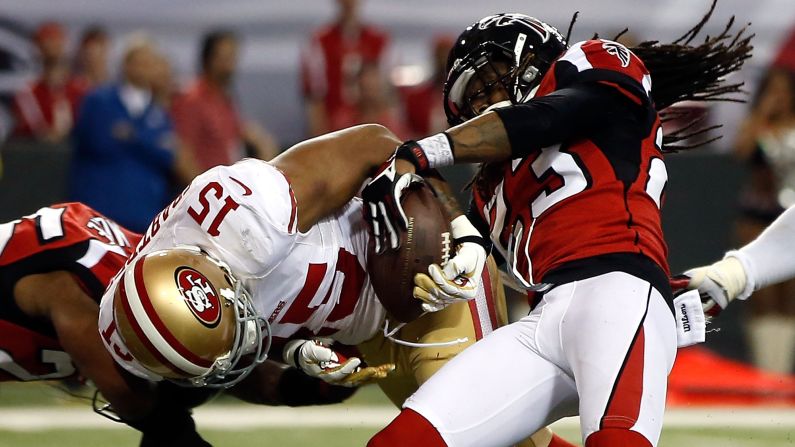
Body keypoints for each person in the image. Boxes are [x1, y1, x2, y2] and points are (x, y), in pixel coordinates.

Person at [365, 9, 752, 447]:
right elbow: (446, 249)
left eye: (491, 82)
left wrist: (423, 151)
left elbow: (550, 116)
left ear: (529, 58)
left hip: (618, 292)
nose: (485, 103)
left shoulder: (593, 62)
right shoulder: (491, 189)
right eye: (474, 101)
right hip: (542, 323)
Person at [0, 202, 362, 446]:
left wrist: (303, 387)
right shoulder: (79, 294)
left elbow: (216, 364)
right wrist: (170, 427)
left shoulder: (155, 296)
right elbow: (146, 407)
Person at [69, 36, 179, 233]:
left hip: (143, 217)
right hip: (99, 215)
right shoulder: (99, 101)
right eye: (139, 62)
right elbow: (98, 143)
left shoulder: (160, 113)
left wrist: (132, 135)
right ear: (126, 65)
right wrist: (149, 141)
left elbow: (167, 155)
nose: (144, 69)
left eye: (149, 63)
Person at [731, 55, 795, 373]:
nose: (779, 97)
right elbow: (739, 151)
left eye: (784, 91)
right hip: (759, 212)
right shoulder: (757, 125)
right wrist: (761, 114)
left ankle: (781, 374)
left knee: (789, 297)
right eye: (773, 90)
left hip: (792, 212)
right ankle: (766, 373)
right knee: (762, 293)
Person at [171, 30, 278, 171]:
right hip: (209, 187)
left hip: (229, 183)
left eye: (233, 58)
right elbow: (183, 156)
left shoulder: (225, 98)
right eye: (225, 58)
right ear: (208, 59)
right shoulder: (191, 100)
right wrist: (202, 189)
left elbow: (248, 134)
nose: (230, 66)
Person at [300, 0, 389, 136]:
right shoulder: (320, 40)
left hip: (372, 125)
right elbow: (314, 95)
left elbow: (388, 92)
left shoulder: (379, 40)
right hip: (334, 128)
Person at [12, 21, 85, 143]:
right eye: (46, 43)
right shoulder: (27, 94)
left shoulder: (81, 89)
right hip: (40, 156)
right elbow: (34, 131)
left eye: (56, 42)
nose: (51, 48)